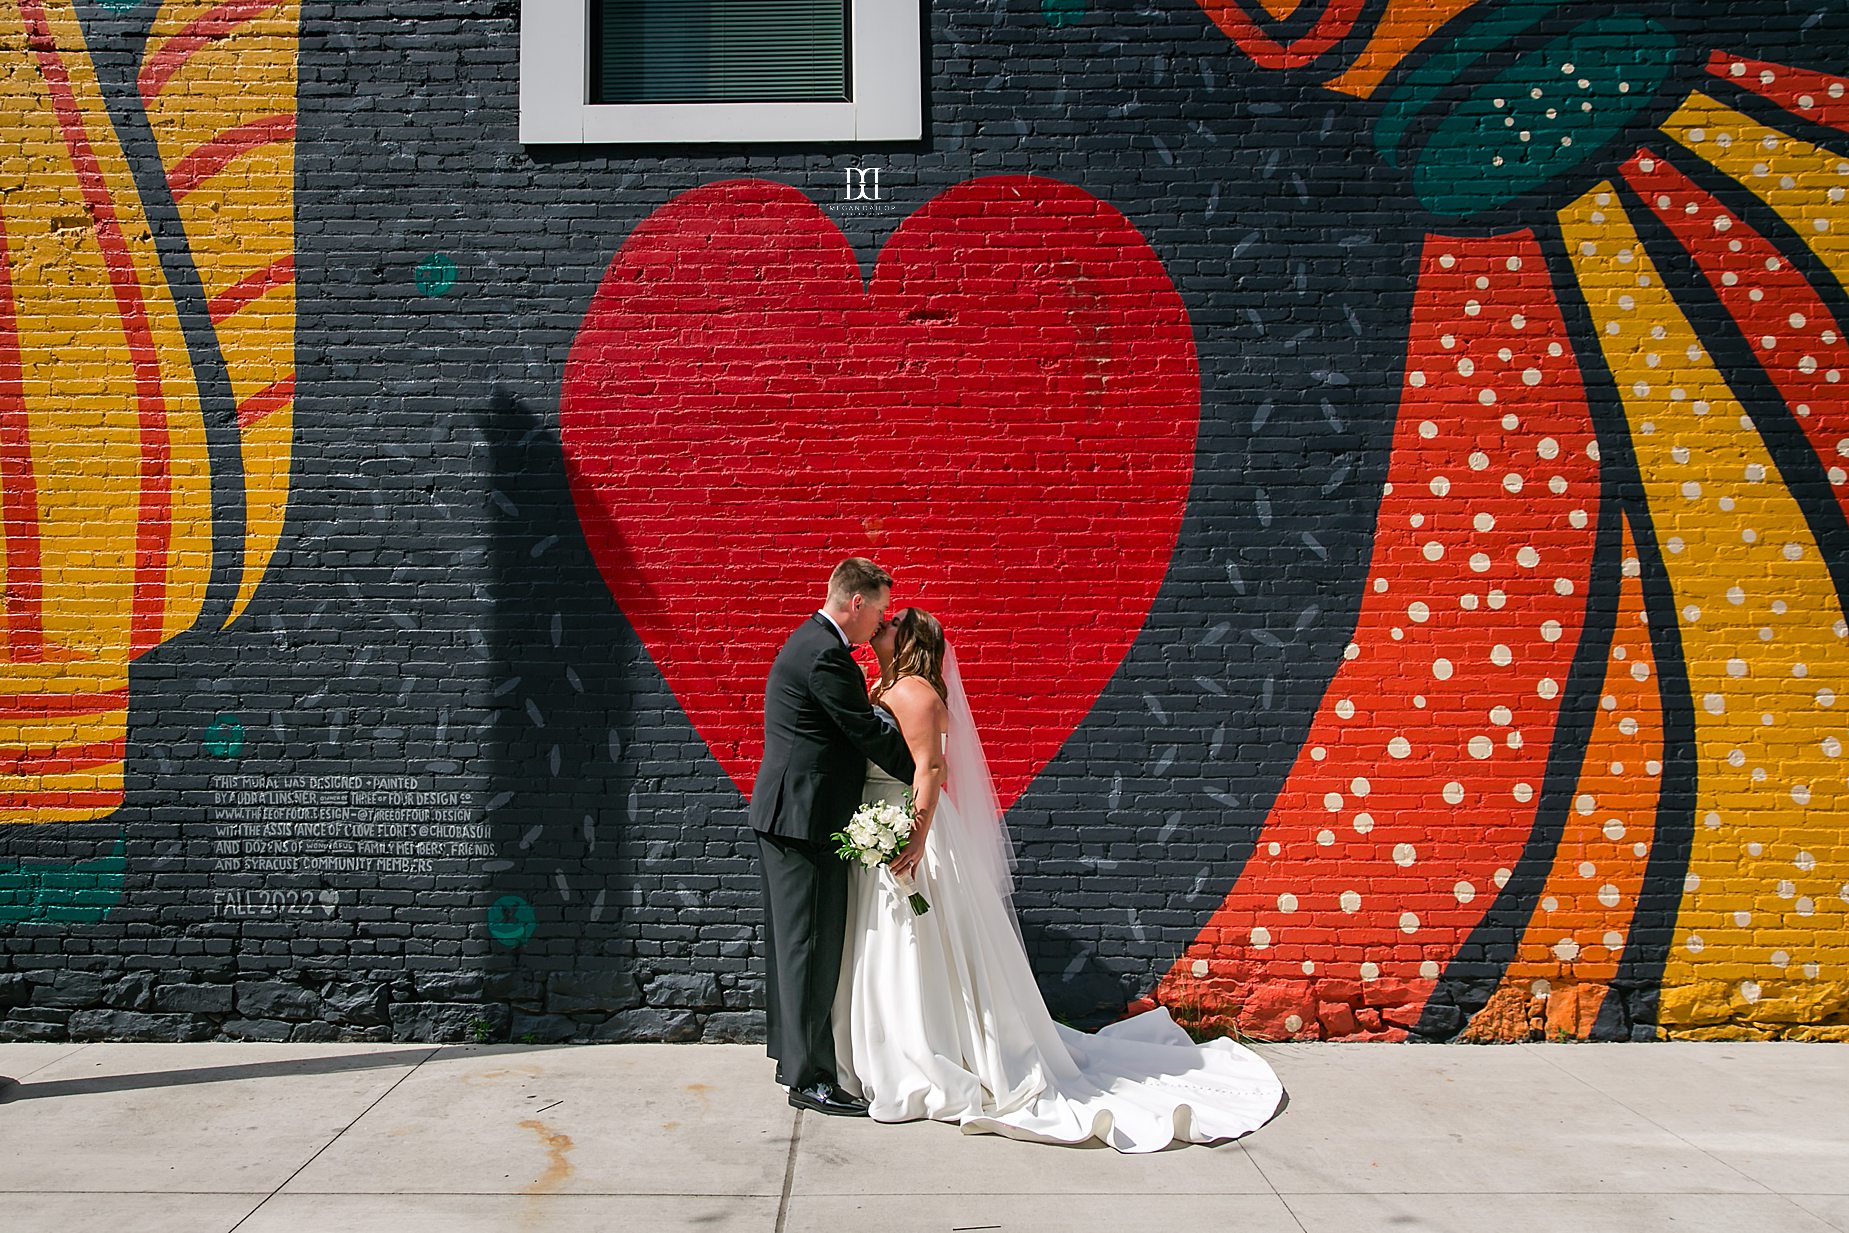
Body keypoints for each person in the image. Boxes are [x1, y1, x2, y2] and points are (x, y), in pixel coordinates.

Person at [832, 608, 1286, 1152]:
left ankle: (923, 1051)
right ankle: (891, 1045)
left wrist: (916, 837)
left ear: (909, 640)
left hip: (912, 831)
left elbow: (931, 770)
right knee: (898, 944)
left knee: (916, 946)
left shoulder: (913, 693)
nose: (883, 621)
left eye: (893, 621)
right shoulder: (887, 686)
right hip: (886, 825)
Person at [749, 557, 916, 1117]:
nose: (880, 624)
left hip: (793, 817)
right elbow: (863, 731)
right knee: (810, 950)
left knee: (797, 949)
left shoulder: (810, 642)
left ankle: (795, 1062)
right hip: (806, 821)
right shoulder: (826, 655)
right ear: (856, 604)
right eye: (880, 611)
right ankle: (811, 1079)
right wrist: (923, 768)